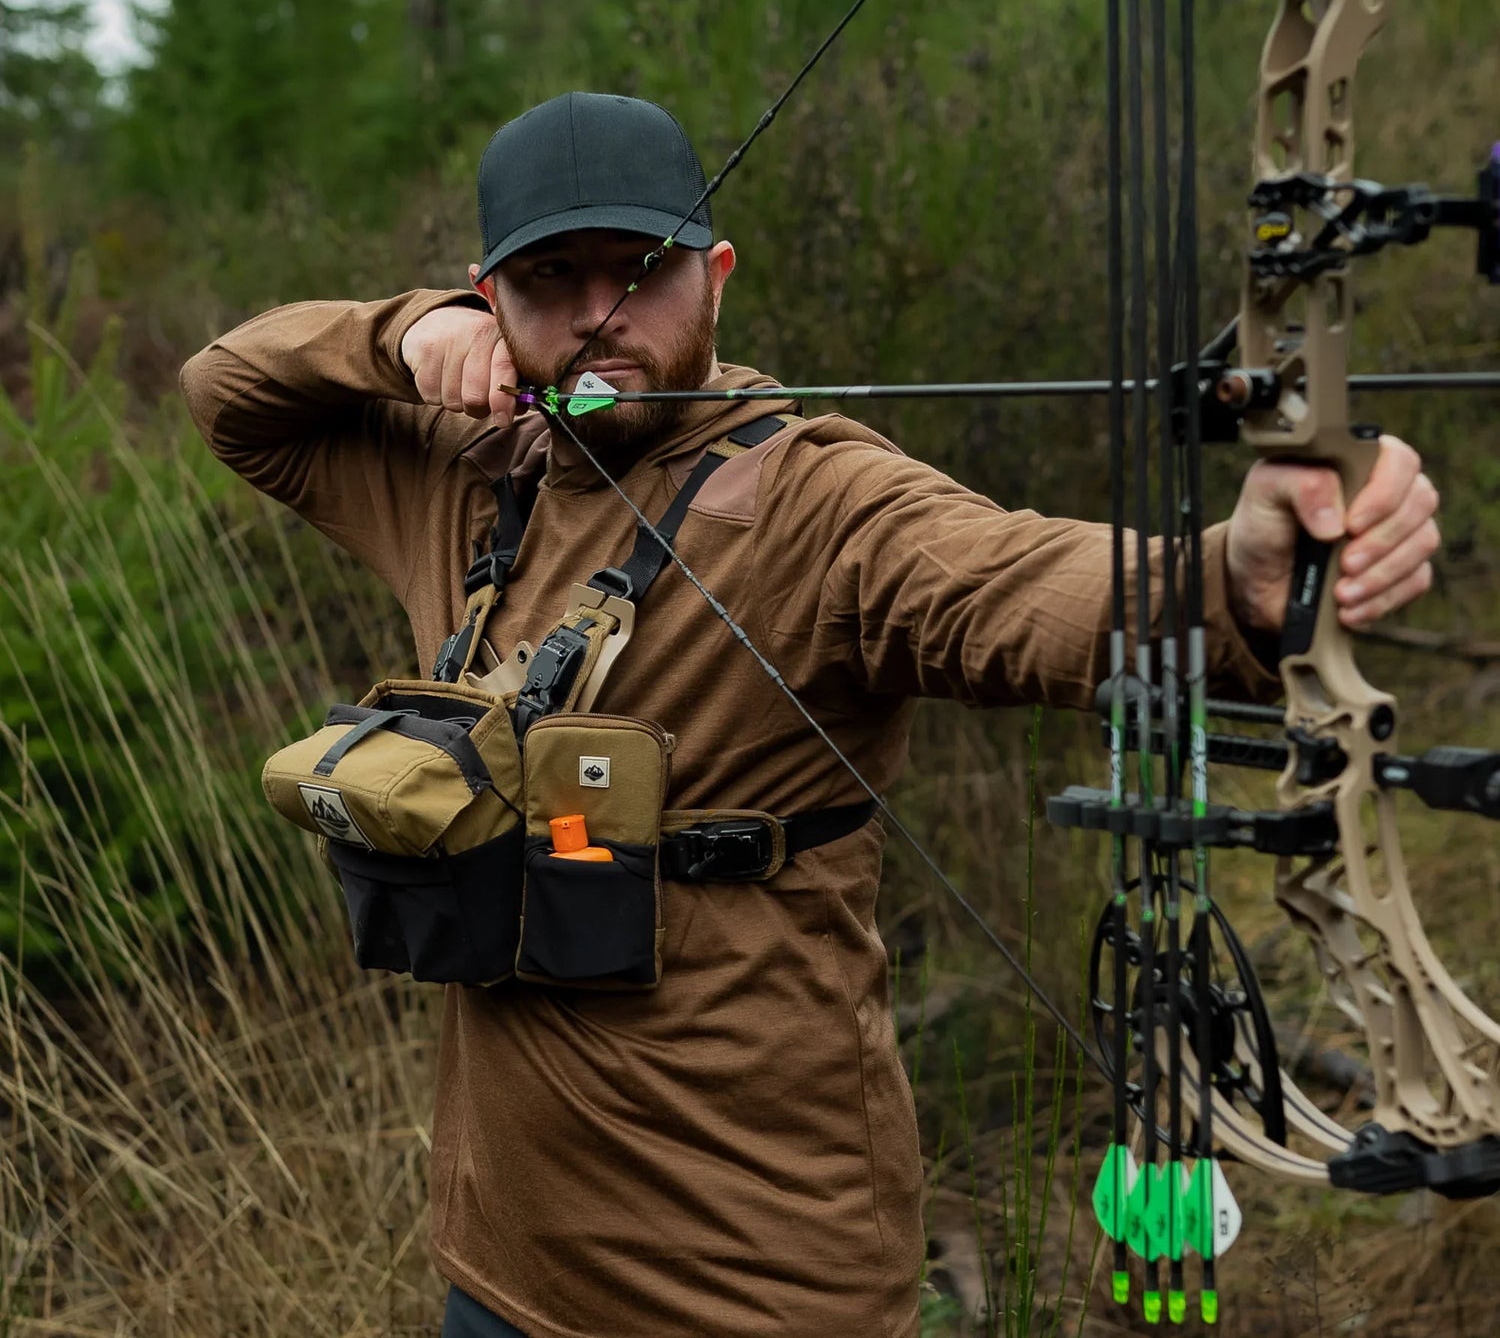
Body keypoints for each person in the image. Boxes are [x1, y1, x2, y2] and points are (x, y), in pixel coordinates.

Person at [180, 91, 1441, 1338]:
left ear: (716, 277)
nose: (594, 315)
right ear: (488, 295)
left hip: (761, 1279)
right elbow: (229, 389)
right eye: (548, 278)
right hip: (504, 1268)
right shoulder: (463, 474)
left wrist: (1234, 581)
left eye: (643, 269)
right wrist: (402, 337)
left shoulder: (815, 500)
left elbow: (1014, 583)